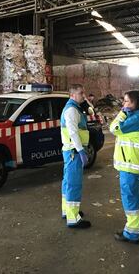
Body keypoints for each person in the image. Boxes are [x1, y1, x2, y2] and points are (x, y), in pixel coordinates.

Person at [110, 90, 139, 243]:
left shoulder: (134, 119)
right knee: (137, 198)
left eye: (127, 101)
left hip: (130, 165)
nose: (124, 104)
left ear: (135, 103)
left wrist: (121, 113)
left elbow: (113, 128)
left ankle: (131, 233)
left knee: (130, 198)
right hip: (135, 164)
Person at [60, 84, 91, 229]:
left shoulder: (75, 107)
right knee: (74, 183)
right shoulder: (72, 110)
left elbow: (91, 112)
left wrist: (86, 104)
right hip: (74, 151)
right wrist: (81, 151)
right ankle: (73, 218)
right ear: (72, 95)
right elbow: (73, 132)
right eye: (80, 93)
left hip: (70, 151)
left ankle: (67, 211)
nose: (83, 95)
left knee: (68, 182)